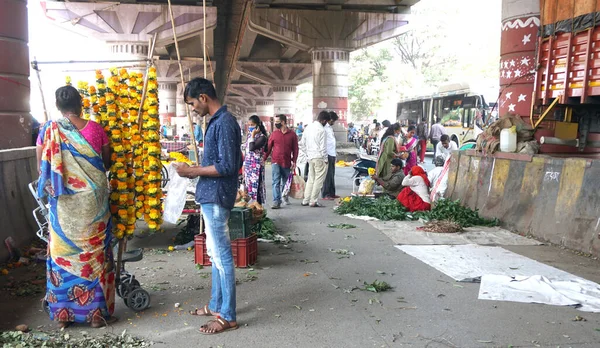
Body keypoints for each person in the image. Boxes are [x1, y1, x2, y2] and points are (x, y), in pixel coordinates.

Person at [36, 85, 116, 329]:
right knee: (95, 254)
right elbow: (106, 162)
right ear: (81, 104)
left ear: (58, 107)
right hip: (94, 204)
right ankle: (95, 315)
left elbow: (43, 168)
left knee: (62, 254)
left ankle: (63, 315)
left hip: (64, 205)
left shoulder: (48, 131)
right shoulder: (95, 129)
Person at [174, 78, 241, 335]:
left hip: (217, 195)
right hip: (211, 194)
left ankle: (228, 316)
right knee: (215, 255)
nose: (193, 109)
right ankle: (216, 304)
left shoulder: (224, 123)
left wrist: (192, 171)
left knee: (222, 257)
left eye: (192, 103)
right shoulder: (217, 122)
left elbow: (227, 166)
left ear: (203, 97)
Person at [264, 114, 299, 209]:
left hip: (287, 161)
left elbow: (295, 149)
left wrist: (294, 161)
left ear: (283, 122)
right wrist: (263, 159)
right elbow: (268, 148)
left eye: (277, 122)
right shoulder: (274, 134)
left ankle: (284, 196)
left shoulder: (292, 135)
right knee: (276, 181)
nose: (275, 124)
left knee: (286, 181)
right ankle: (276, 201)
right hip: (275, 161)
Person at [300, 111, 330, 207]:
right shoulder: (322, 130)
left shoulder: (308, 128)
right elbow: (323, 148)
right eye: (327, 122)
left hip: (310, 157)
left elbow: (302, 144)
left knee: (310, 179)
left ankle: (306, 200)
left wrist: (307, 154)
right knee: (319, 180)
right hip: (320, 157)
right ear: (324, 120)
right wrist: (326, 159)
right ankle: (313, 201)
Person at [244, 115, 268, 204]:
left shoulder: (262, 137)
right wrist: (244, 165)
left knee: (257, 189)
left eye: (252, 124)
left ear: (258, 125)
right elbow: (246, 151)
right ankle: (252, 209)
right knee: (249, 190)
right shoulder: (250, 136)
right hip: (248, 166)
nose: (250, 127)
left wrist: (253, 135)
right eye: (249, 124)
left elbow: (251, 147)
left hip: (257, 167)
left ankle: (258, 209)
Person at [322, 111, 339, 200]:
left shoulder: (330, 128)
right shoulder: (324, 128)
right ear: (330, 119)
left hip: (332, 154)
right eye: (333, 121)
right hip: (327, 154)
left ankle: (332, 193)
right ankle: (325, 194)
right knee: (327, 175)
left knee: (332, 175)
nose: (334, 123)